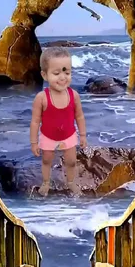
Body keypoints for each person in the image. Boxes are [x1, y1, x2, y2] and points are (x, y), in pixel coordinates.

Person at [30, 47, 87, 197]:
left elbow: (79, 116)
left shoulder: (73, 95)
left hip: (68, 134)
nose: (63, 77)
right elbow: (35, 122)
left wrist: (83, 135)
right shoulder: (41, 98)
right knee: (47, 160)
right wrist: (34, 143)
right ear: (44, 75)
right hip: (48, 135)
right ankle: (46, 182)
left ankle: (71, 183)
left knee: (71, 161)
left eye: (67, 72)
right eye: (56, 73)